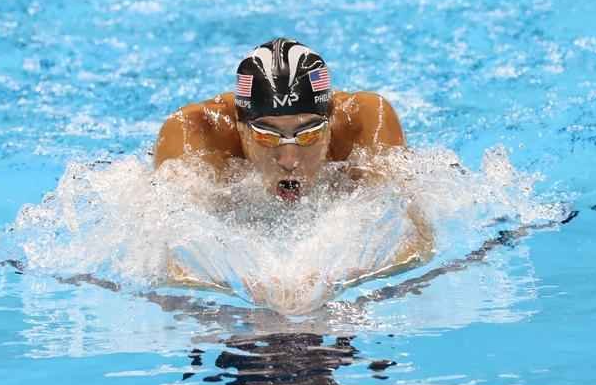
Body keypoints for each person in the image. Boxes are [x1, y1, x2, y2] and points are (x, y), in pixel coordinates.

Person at [151, 38, 434, 297]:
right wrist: (239, 285)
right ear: (241, 129)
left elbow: (417, 239)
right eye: (266, 135)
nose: (288, 159)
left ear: (330, 125)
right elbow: (166, 256)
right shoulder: (195, 134)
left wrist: (343, 277)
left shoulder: (365, 124)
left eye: (308, 134)